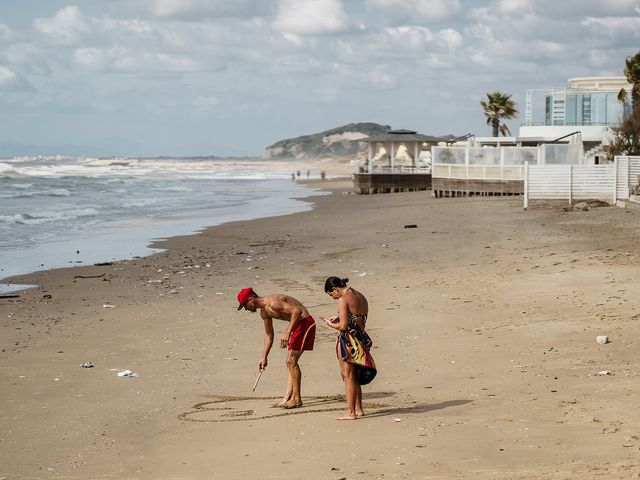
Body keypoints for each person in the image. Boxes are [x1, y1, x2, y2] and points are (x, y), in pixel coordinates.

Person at [237, 287, 316, 409]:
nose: (246, 309)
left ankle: (297, 399)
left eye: (245, 305)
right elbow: (269, 335)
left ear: (251, 299)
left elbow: (297, 311)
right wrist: (264, 357)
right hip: (296, 325)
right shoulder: (264, 312)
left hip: (305, 323)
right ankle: (288, 398)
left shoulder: (273, 302)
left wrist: (287, 332)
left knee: (291, 361)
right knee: (290, 362)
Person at [321, 277, 376, 420]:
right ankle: (358, 409)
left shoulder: (343, 299)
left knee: (348, 376)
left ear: (335, 289)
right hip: (361, 338)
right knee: (355, 376)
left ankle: (350, 412)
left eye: (331, 294)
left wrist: (330, 324)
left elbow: (343, 327)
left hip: (349, 340)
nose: (333, 298)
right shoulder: (359, 295)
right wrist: (340, 317)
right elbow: (356, 317)